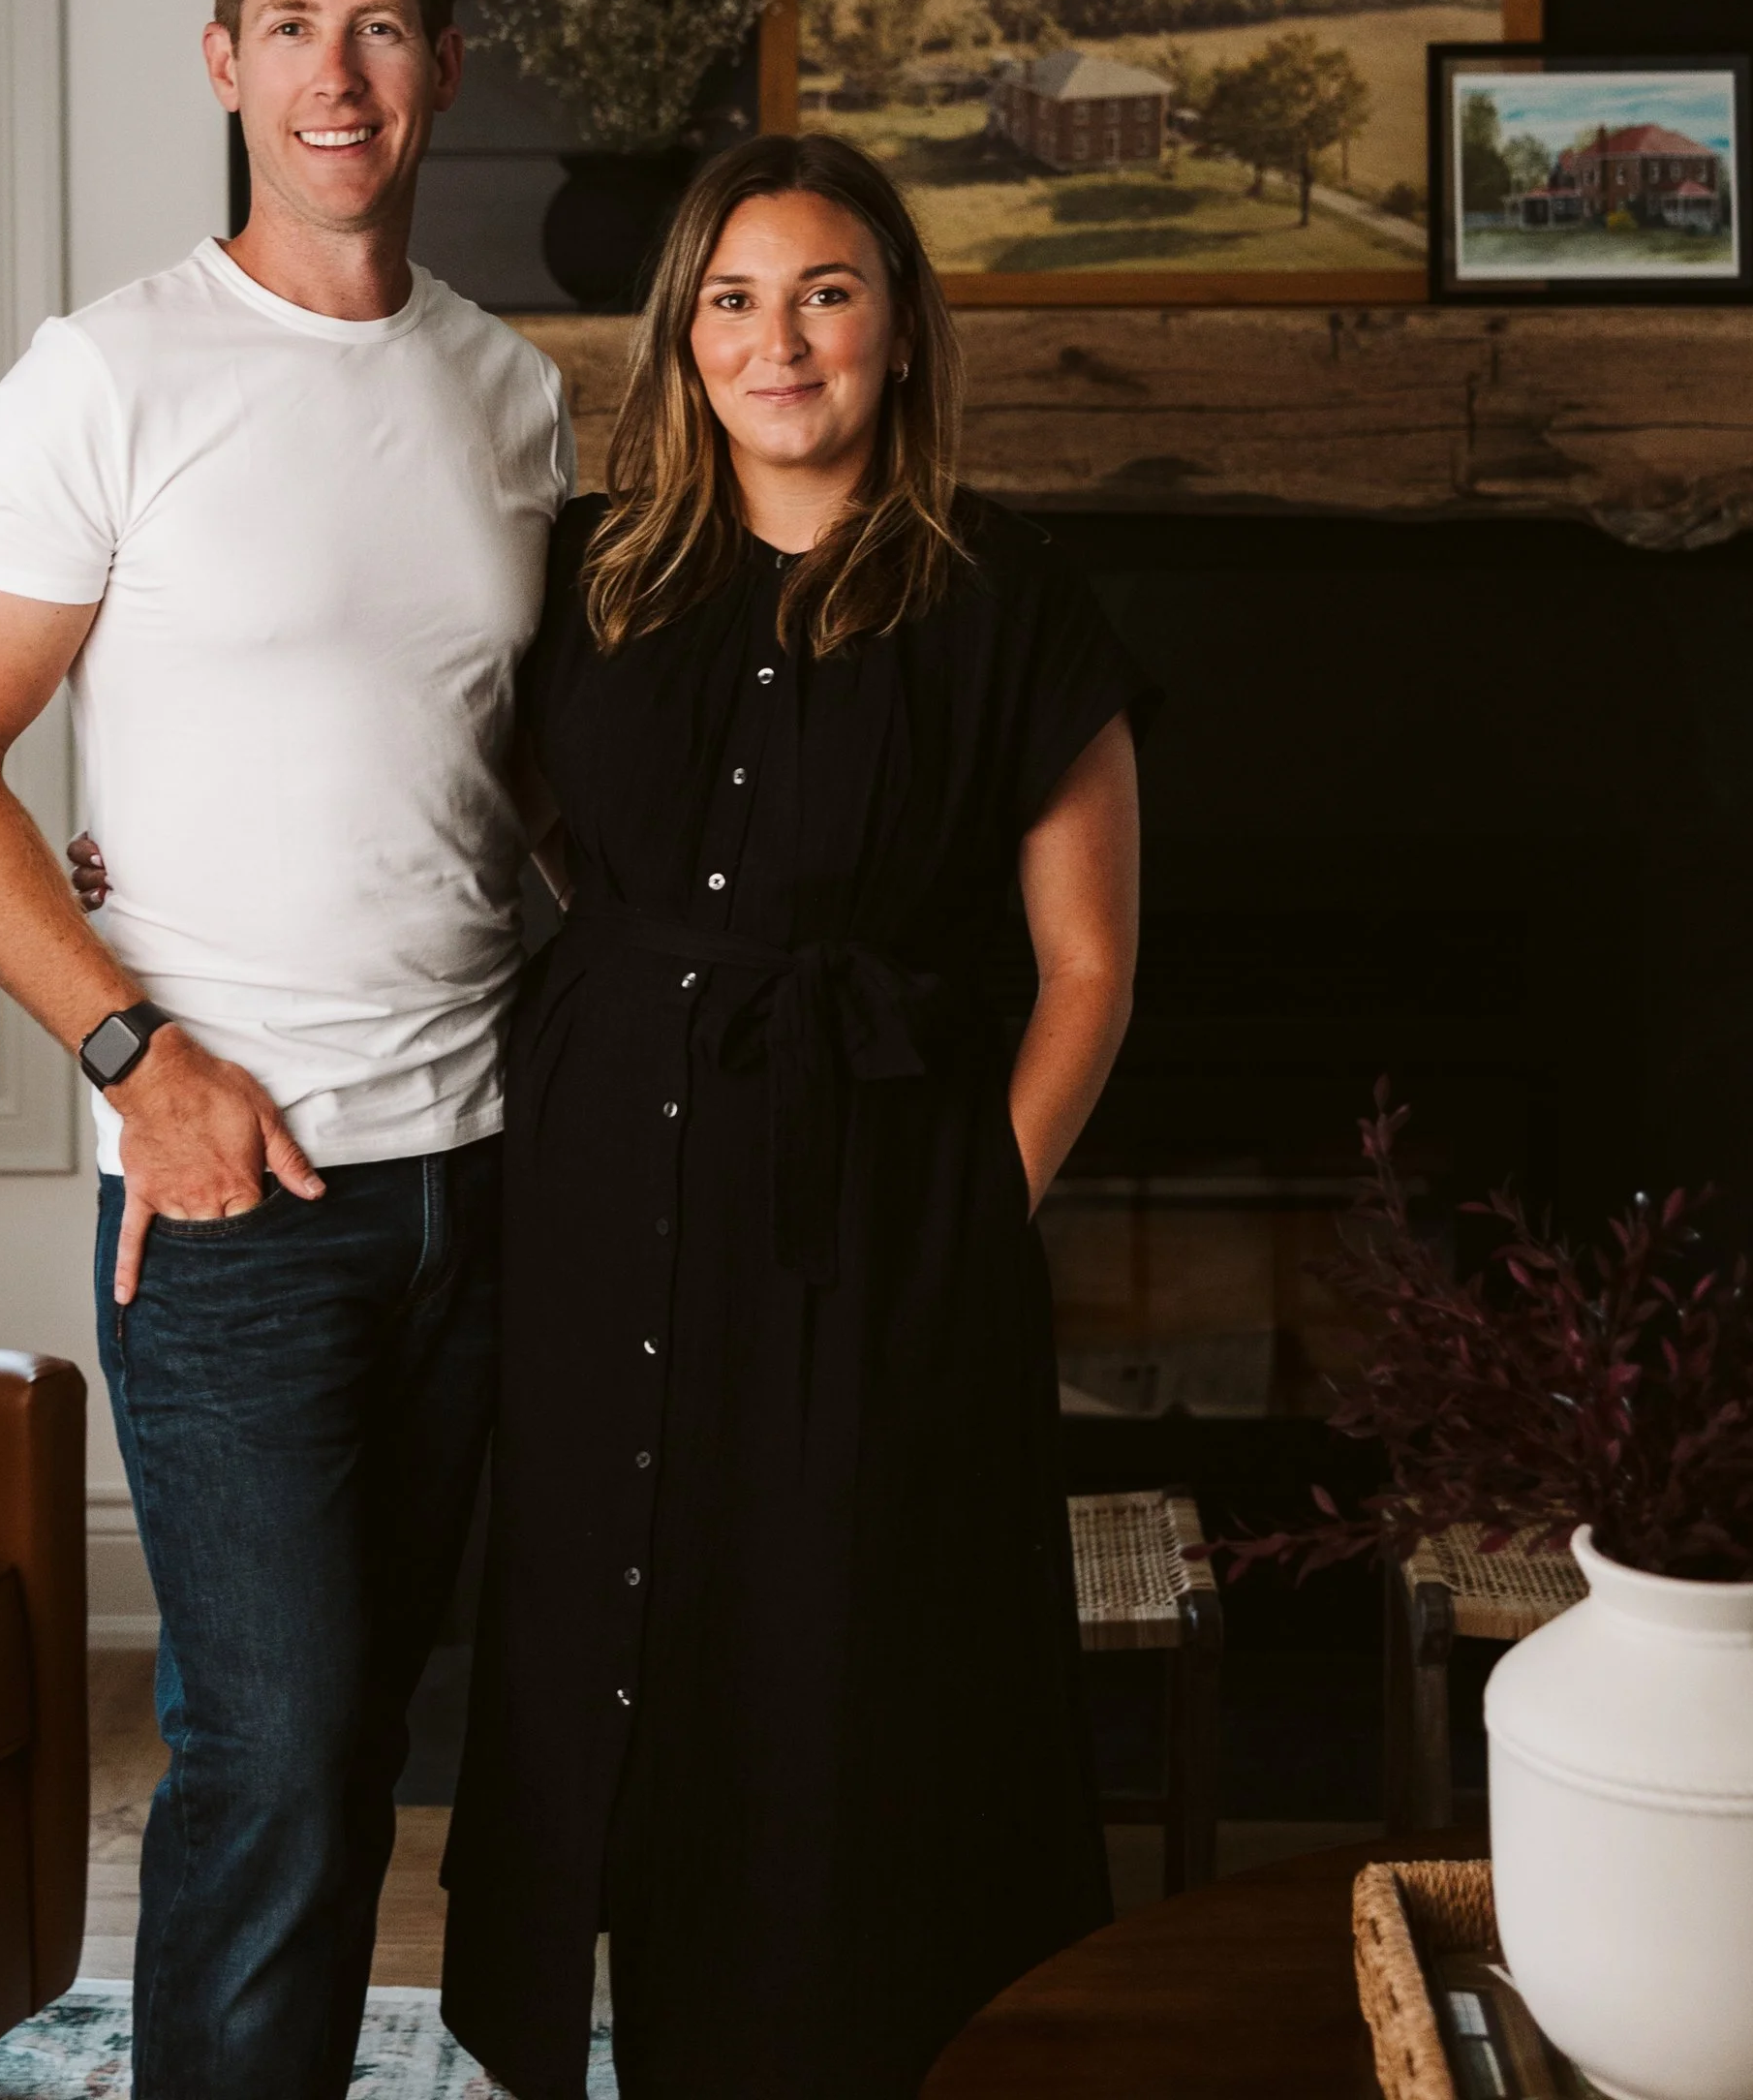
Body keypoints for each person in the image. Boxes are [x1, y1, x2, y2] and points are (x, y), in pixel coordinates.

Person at [0, 0, 569, 2100]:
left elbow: (515, 784)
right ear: (222, 61)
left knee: (372, 1736)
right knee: (267, 1749)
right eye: (290, 25)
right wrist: (130, 1044)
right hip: (231, 1188)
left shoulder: (517, 397)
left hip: (488, 1166)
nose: (334, 73)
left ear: (444, 65)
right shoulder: (106, 376)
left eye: (378, 27)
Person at [439, 132, 1150, 2100]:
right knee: (623, 1654)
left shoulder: (1008, 598)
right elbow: (453, 810)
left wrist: (967, 1204)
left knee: (845, 1670)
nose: (778, 341)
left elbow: (1085, 965)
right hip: (596, 1194)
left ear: (899, 330)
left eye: (824, 293)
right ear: (680, 342)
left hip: (875, 1206)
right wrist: (128, 864)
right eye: (732, 301)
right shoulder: (590, 573)